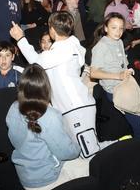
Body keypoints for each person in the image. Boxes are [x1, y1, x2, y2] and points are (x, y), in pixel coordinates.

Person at [10, 12, 98, 154]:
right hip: (77, 105)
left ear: (52, 30)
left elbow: (35, 61)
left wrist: (20, 38)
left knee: (88, 151)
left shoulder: (61, 50)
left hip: (75, 108)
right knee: (83, 149)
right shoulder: (73, 44)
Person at [6, 64, 89, 190]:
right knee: (93, 181)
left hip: (27, 175)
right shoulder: (49, 115)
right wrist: (79, 147)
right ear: (46, 87)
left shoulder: (13, 108)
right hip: (47, 179)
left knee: (88, 168)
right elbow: (66, 153)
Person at [90, 13, 140, 151]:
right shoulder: (100, 47)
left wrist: (127, 70)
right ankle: (136, 158)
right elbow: (94, 73)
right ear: (106, 28)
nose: (118, 32)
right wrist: (118, 75)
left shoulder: (119, 42)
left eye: (121, 28)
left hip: (128, 84)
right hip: (116, 91)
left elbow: (121, 64)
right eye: (114, 28)